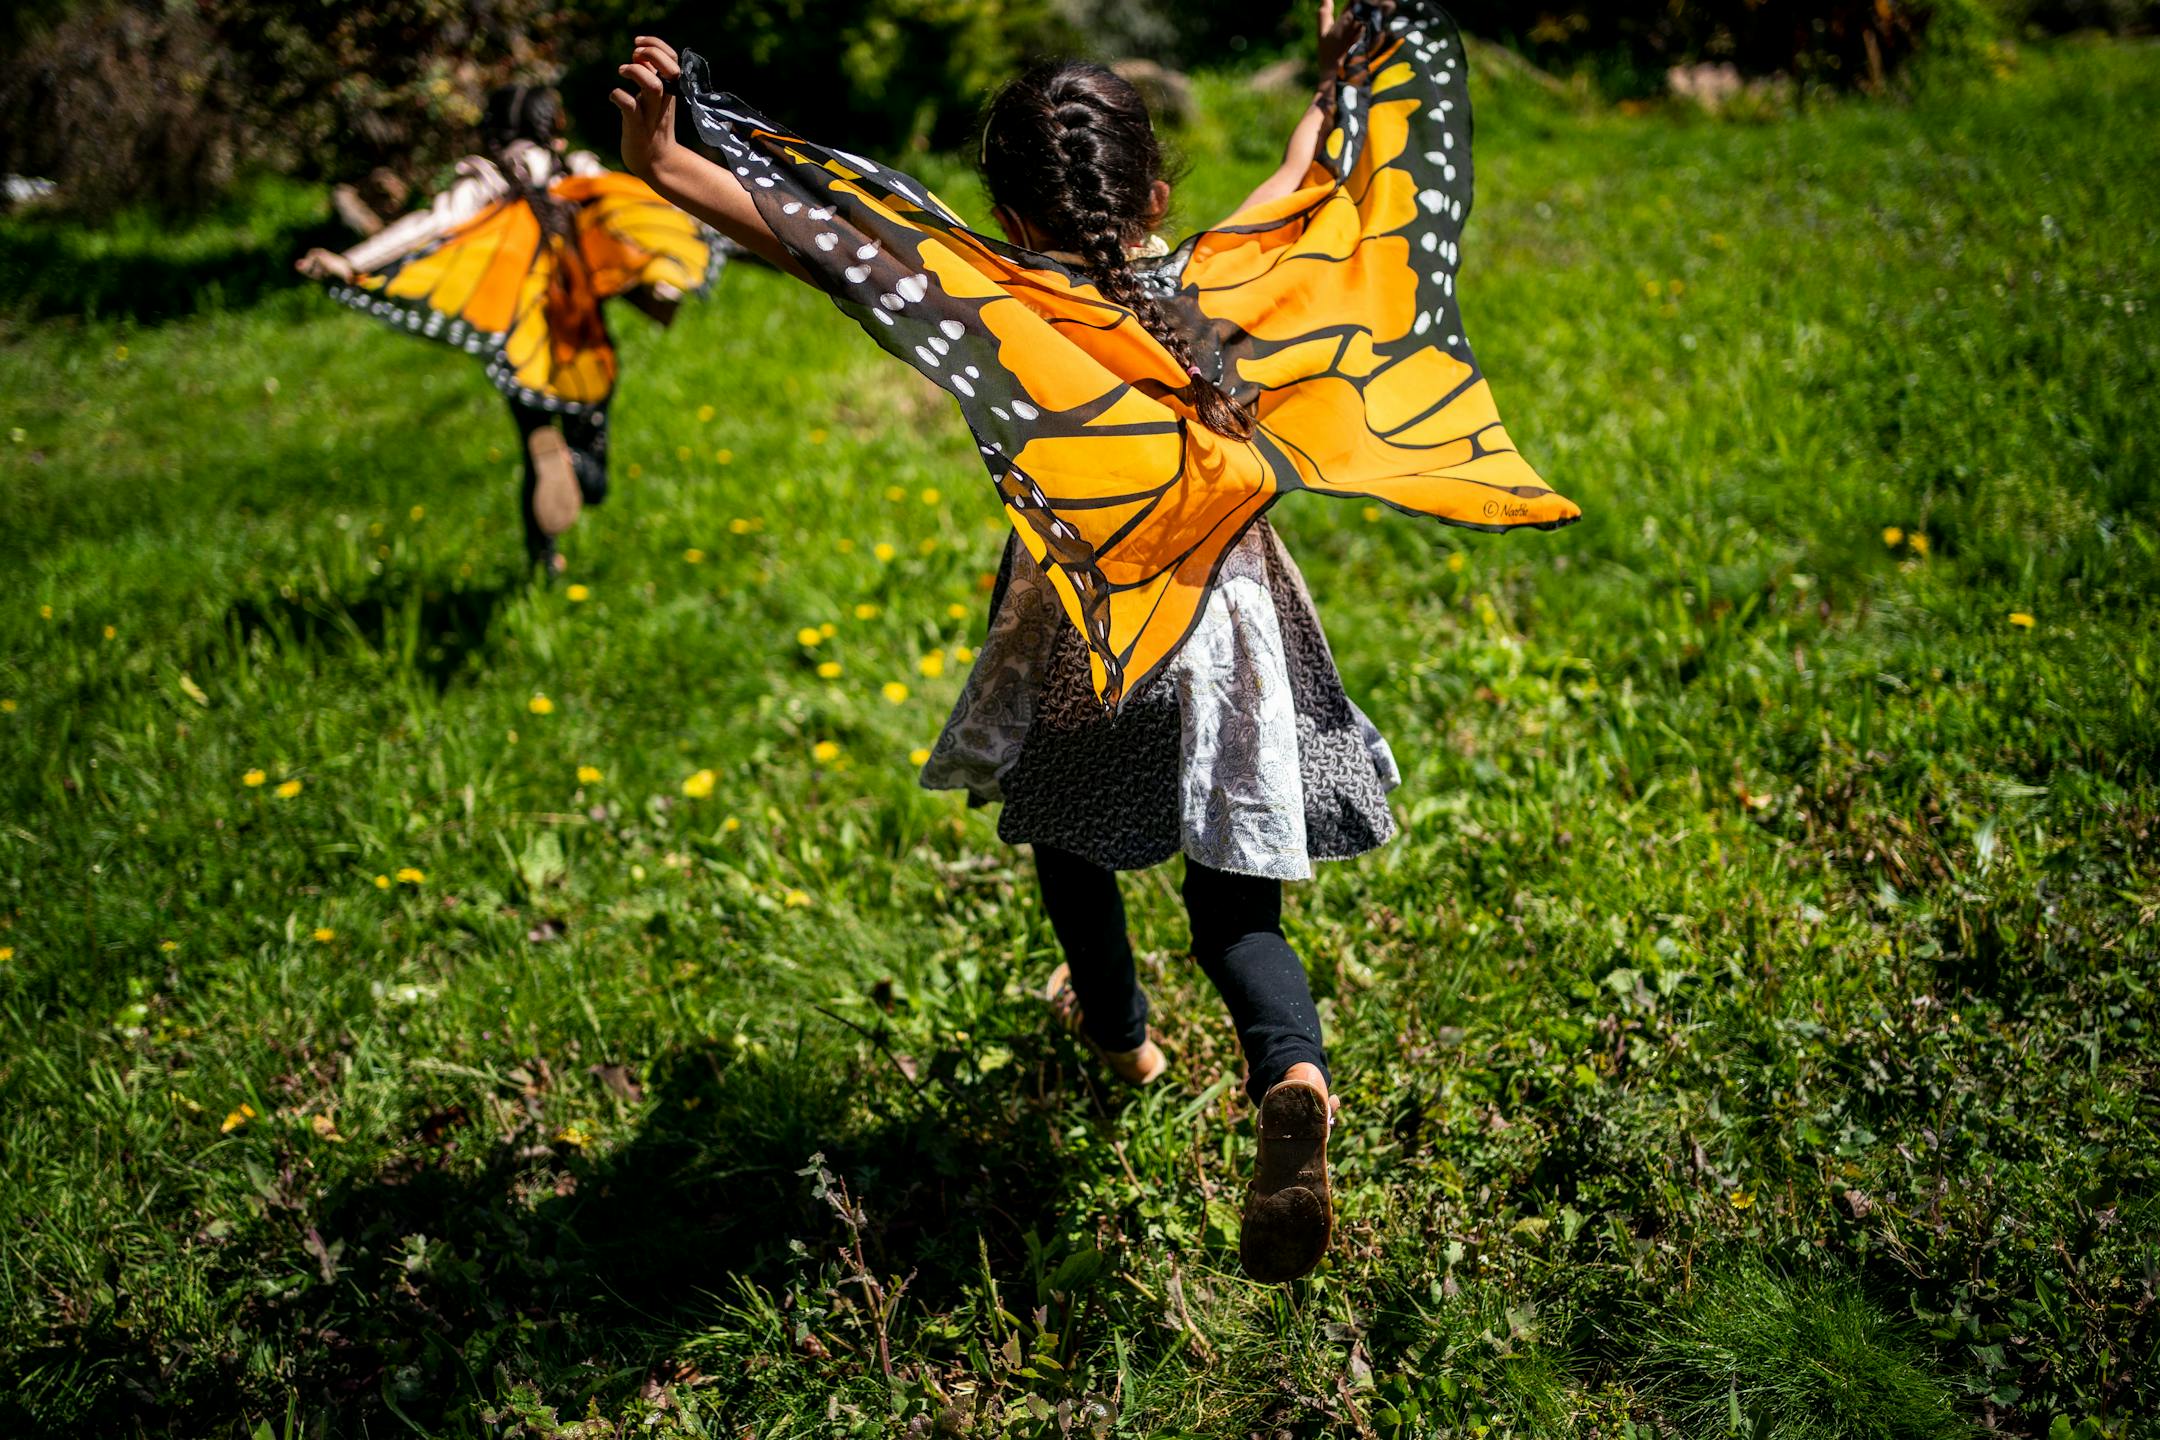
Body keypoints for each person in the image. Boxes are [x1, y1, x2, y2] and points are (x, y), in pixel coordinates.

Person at [610, 0, 1580, 1282]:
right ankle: (1290, 1068)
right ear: (1161, 190)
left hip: (1100, 636)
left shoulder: (995, 291)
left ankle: (1122, 1037)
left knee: (1069, 845)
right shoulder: (1222, 275)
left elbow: (821, 243)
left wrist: (667, 159)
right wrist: (1348, 78)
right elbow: (1310, 175)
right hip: (1238, 634)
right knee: (1238, 911)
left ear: (1007, 216)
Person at [297, 84, 727, 572]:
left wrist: (350, 263)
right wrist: (670, 266)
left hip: (518, 340)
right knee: (591, 467)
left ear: (491, 130)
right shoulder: (575, 169)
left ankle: (544, 557)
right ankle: (575, 463)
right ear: (556, 129)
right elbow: (633, 214)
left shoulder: (484, 177)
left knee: (536, 451)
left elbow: (428, 225)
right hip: (577, 336)